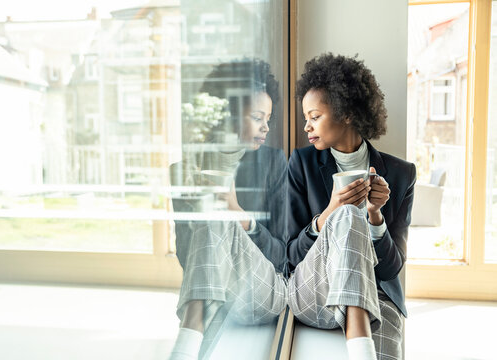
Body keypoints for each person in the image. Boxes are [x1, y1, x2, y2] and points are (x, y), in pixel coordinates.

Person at [286, 53, 416, 360]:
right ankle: (360, 340)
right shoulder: (301, 164)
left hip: (377, 295)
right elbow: (290, 256)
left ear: (345, 112)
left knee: (387, 348)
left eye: (314, 117)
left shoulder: (401, 174)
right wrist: (330, 212)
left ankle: (362, 337)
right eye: (307, 118)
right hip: (315, 291)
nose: (307, 126)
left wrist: (375, 217)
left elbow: (391, 268)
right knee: (345, 216)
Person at [169, 59, 288, 360]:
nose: (265, 127)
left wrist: (236, 212)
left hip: (265, 290)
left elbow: (281, 256)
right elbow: (188, 260)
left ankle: (187, 337)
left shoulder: (273, 163)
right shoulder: (185, 170)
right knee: (212, 209)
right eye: (257, 117)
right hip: (218, 289)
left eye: (268, 118)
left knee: (220, 210)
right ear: (228, 114)